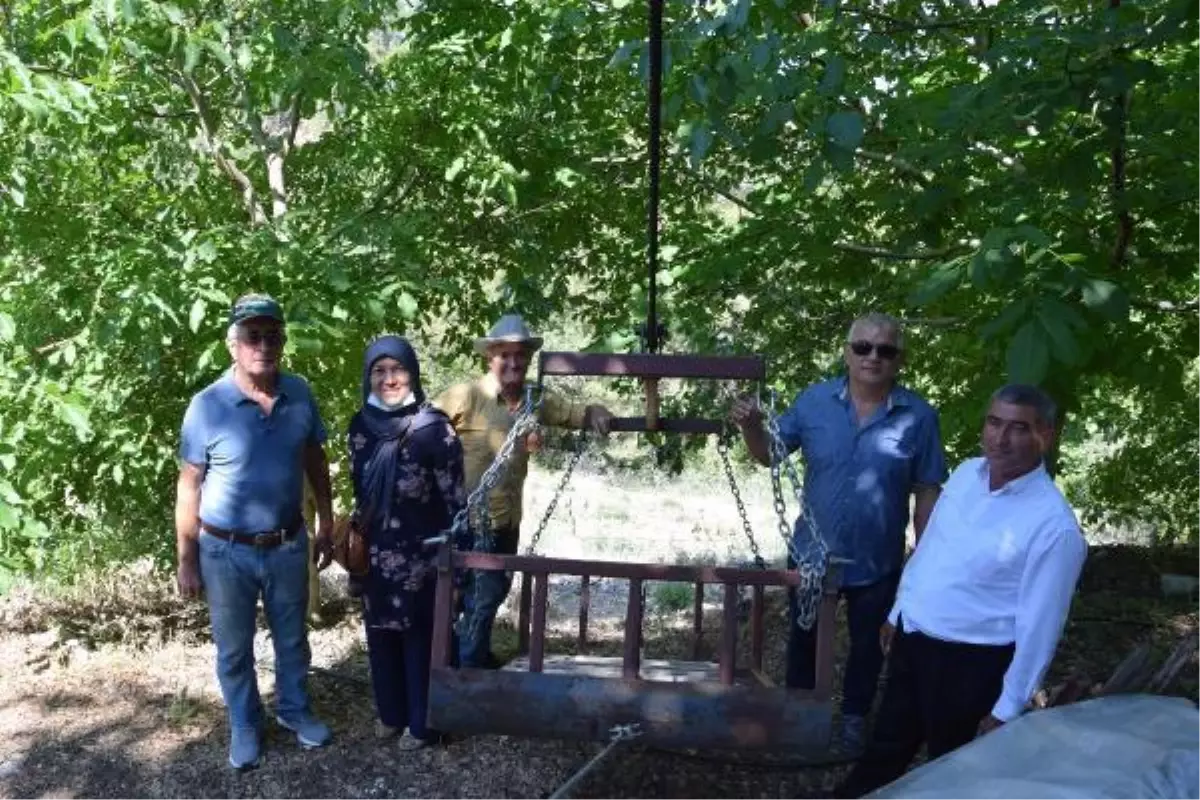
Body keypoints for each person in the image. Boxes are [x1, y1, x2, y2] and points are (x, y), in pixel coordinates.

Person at [834, 384, 1088, 798]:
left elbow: (1041, 627)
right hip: (915, 640)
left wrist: (1008, 707)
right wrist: (900, 611)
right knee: (886, 749)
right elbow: (932, 548)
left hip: (974, 663)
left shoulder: (1053, 527)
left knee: (955, 773)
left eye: (1018, 428)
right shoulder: (969, 472)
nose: (1001, 439)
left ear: (1047, 434)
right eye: (994, 423)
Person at [729, 312, 947, 752]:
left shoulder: (918, 416)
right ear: (846, 353)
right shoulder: (813, 403)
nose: (873, 357)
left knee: (869, 646)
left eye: (885, 350)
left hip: (878, 559)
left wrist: (926, 559)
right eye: (863, 347)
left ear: (899, 360)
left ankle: (852, 721)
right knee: (803, 638)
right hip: (811, 553)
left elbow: (927, 489)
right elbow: (770, 454)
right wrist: (751, 425)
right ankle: (797, 718)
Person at [175, 293, 335, 770]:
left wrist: (327, 518)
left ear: (282, 342)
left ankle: (293, 710)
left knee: (292, 637)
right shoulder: (207, 406)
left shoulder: (300, 394)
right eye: (252, 335)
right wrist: (186, 559)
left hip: (288, 543)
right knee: (233, 646)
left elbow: (315, 459)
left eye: (272, 335)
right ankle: (245, 724)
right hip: (225, 552)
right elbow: (189, 486)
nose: (262, 344)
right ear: (234, 344)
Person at [435, 313, 614, 669]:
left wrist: (595, 412)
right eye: (505, 355)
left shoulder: (535, 400)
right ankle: (466, 684)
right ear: (490, 357)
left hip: (507, 522)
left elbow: (576, 413)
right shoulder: (465, 396)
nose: (514, 363)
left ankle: (468, 660)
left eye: (520, 355)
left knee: (492, 594)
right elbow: (423, 428)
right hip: (465, 524)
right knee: (472, 601)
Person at [347, 335, 467, 750]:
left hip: (424, 555)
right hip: (376, 554)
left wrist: (454, 561)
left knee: (420, 639)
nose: (389, 379)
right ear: (368, 377)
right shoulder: (359, 427)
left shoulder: (435, 428)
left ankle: (422, 725)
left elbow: (456, 502)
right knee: (380, 635)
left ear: (412, 372)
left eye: (397, 369)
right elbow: (359, 491)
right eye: (379, 371)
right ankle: (391, 715)